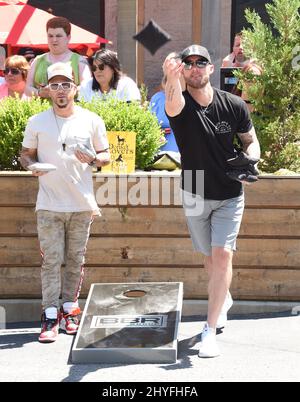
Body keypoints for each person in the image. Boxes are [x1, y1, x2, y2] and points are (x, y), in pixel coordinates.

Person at [164, 44, 260, 358]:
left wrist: (251, 161)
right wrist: (169, 77)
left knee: (221, 257)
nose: (194, 67)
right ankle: (224, 296)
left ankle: (209, 329)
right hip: (193, 188)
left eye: (200, 62)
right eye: (188, 63)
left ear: (210, 67)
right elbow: (173, 101)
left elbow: (251, 140)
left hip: (230, 191)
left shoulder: (233, 104)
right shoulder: (179, 105)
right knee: (208, 259)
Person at [20, 62, 110, 343]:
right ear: (46, 90)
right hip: (48, 204)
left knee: (75, 260)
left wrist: (94, 159)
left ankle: (70, 309)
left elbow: (106, 155)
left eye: (66, 85)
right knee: (51, 261)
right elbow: (25, 154)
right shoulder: (37, 122)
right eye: (54, 85)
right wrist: (32, 166)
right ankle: (49, 314)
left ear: (75, 88)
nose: (60, 91)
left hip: (81, 204)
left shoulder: (91, 119)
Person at [25, 16, 91, 98]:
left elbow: (87, 87)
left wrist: (65, 91)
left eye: (58, 36)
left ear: (68, 37)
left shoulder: (80, 61)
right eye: (50, 36)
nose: (54, 40)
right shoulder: (38, 60)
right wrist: (39, 92)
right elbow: (27, 88)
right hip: (41, 109)